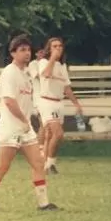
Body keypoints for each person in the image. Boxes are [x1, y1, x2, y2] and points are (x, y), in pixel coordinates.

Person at [0, 35, 59, 212]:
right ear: (13, 53)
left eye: (28, 49)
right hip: (11, 127)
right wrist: (24, 120)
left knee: (38, 163)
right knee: (3, 166)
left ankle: (43, 203)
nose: (26, 53)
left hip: (25, 128)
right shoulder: (9, 72)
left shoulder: (26, 73)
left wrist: (29, 120)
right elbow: (9, 101)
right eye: (22, 50)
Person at [37, 37, 83, 174]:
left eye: (60, 46)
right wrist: (53, 58)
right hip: (47, 101)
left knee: (52, 135)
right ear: (49, 49)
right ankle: (49, 164)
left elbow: (67, 87)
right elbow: (45, 74)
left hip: (58, 102)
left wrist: (76, 104)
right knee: (58, 133)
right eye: (54, 46)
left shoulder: (62, 66)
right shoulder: (44, 62)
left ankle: (47, 164)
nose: (58, 48)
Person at [27, 48, 47, 154]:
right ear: (36, 53)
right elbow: (40, 77)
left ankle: (45, 150)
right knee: (43, 124)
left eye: (44, 52)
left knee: (48, 126)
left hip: (49, 98)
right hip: (39, 98)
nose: (43, 54)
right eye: (40, 52)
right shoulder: (33, 64)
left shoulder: (48, 64)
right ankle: (40, 150)